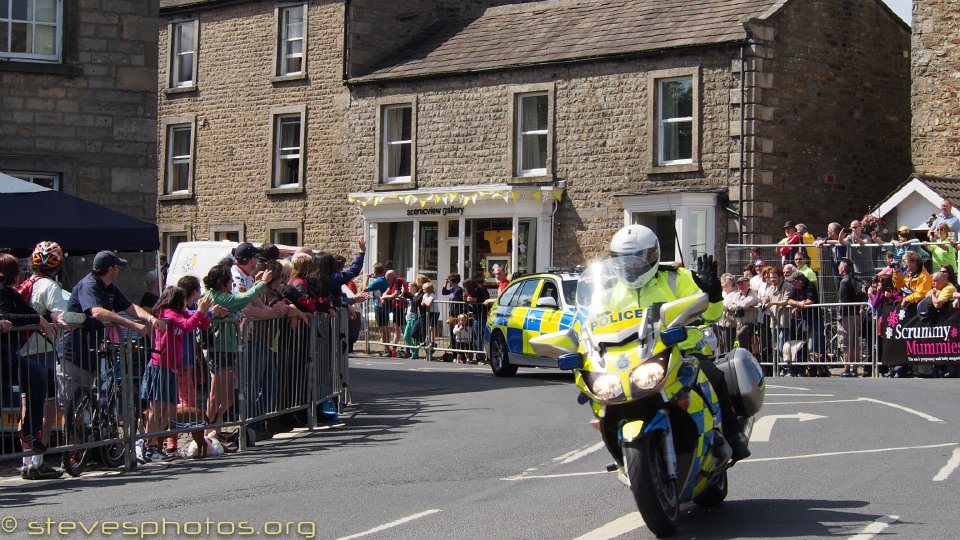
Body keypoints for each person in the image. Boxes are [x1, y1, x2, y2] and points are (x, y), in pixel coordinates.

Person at [606, 225, 749, 463]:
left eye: (636, 260)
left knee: (713, 375)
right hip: (634, 360)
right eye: (623, 261)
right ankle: (621, 450)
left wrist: (712, 294)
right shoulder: (612, 291)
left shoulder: (678, 279)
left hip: (684, 352)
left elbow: (713, 314)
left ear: (651, 256)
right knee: (601, 395)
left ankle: (731, 437)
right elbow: (594, 321)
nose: (630, 267)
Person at [59, 251, 164, 428]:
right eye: (117, 267)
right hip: (75, 352)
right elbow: (97, 312)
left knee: (88, 401)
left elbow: (131, 308)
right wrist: (133, 325)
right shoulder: (89, 284)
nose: (119, 270)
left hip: (92, 349)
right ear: (110, 269)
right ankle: (70, 451)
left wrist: (151, 319)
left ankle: (93, 446)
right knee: (71, 407)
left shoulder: (109, 287)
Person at [18, 242, 84, 479]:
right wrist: (86, 318)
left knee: (27, 406)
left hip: (21, 350)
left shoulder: (25, 284)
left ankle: (26, 461)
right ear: (57, 264)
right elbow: (63, 317)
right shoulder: (50, 286)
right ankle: (38, 462)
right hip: (42, 350)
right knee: (46, 407)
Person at [201, 261, 275, 449]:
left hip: (228, 349)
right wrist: (262, 284)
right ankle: (206, 432)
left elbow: (242, 295)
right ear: (222, 282)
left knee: (227, 397)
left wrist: (254, 283)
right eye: (229, 281)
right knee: (216, 394)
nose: (231, 284)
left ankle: (214, 428)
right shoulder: (217, 296)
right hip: (220, 349)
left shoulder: (223, 295)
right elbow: (241, 300)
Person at [0, 254, 55, 479]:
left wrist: (39, 319)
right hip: (3, 356)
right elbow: (8, 316)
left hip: (9, 355)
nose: (21, 273)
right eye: (17, 269)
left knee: (39, 376)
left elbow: (25, 311)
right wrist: (31, 320)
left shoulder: (11, 292)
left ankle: (30, 431)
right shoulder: (1, 291)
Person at [143, 285, 212, 461]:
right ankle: (148, 445)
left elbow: (201, 325)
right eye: (182, 300)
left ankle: (155, 444)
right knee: (156, 408)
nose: (185, 304)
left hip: (172, 367)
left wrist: (202, 313)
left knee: (171, 409)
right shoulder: (167, 313)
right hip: (160, 366)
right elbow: (188, 326)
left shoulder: (181, 312)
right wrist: (199, 312)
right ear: (176, 300)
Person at [837, 258, 865, 377]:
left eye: (839, 266)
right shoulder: (855, 280)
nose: (838, 268)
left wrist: (840, 316)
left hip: (846, 315)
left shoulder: (844, 282)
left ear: (843, 269)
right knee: (854, 342)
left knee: (847, 343)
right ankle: (854, 369)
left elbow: (844, 300)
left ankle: (847, 368)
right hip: (855, 313)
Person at [724, 276, 759, 353]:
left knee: (741, 334)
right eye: (739, 284)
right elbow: (729, 306)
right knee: (742, 340)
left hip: (751, 323)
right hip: (739, 323)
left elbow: (744, 304)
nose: (741, 286)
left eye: (743, 284)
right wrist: (741, 307)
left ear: (748, 285)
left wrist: (736, 303)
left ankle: (748, 355)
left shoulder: (753, 295)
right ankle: (748, 355)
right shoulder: (737, 295)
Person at [363, 263, 391, 355]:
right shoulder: (384, 280)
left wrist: (366, 277)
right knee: (386, 326)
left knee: (383, 327)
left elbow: (365, 289)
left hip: (379, 306)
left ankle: (387, 348)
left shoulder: (378, 281)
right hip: (386, 305)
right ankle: (387, 347)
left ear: (375, 271)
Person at [380, 270, 409, 357]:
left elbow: (395, 294)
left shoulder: (398, 281)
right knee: (396, 328)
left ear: (392, 276)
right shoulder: (393, 282)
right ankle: (394, 349)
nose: (387, 279)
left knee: (403, 329)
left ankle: (409, 349)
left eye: (387, 278)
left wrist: (384, 297)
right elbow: (387, 291)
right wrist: (383, 298)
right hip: (396, 307)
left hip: (400, 307)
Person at [442, 273, 464, 355]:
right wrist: (445, 284)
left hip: (457, 313)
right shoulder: (451, 289)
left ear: (453, 281)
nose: (448, 281)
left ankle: (459, 354)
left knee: (457, 334)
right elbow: (444, 292)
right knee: (452, 333)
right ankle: (454, 353)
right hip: (451, 313)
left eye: (449, 280)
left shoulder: (459, 290)